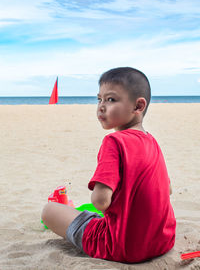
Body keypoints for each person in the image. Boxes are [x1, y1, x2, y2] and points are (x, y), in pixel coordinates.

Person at [42, 67, 176, 263]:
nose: (101, 106)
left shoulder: (114, 141)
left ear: (138, 106)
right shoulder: (152, 141)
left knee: (49, 210)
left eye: (111, 99)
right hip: (163, 241)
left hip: (121, 246)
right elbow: (168, 190)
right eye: (99, 99)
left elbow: (100, 201)